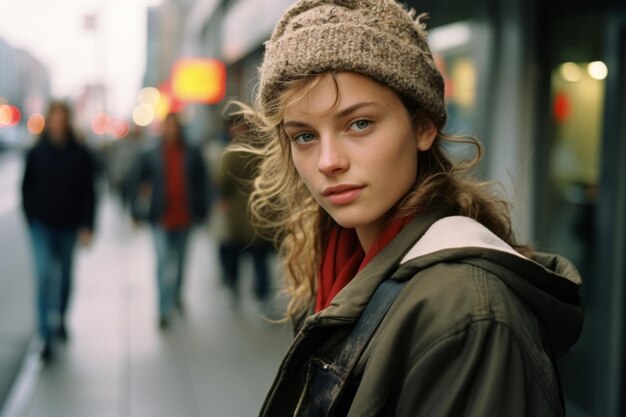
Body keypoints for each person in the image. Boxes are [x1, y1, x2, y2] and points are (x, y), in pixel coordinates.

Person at [228, 1, 585, 416]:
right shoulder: (342, 267)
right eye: (304, 136)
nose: (328, 161)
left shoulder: (465, 313)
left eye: (359, 123)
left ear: (423, 126)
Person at [21, 100, 96, 362]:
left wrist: (87, 226)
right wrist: (31, 219)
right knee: (43, 275)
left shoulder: (80, 154)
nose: (58, 123)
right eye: (54, 118)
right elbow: (26, 188)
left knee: (64, 277)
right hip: (42, 225)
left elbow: (89, 193)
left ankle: (61, 317)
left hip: (68, 226)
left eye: (62, 118)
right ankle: (45, 334)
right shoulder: (37, 153)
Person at [130, 112, 210, 328]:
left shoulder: (192, 153)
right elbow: (137, 182)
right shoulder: (151, 154)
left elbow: (203, 183)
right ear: (163, 129)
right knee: (163, 263)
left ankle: (176, 296)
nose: (172, 131)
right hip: (160, 218)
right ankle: (163, 308)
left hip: (185, 217)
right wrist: (135, 212)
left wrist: (204, 211)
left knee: (181, 262)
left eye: (175, 127)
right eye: (168, 127)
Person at [216, 114, 274, 311]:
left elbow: (223, 181)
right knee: (260, 258)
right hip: (260, 211)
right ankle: (262, 297)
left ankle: (232, 289)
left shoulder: (232, 152)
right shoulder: (263, 150)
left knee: (234, 254)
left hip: (237, 214)